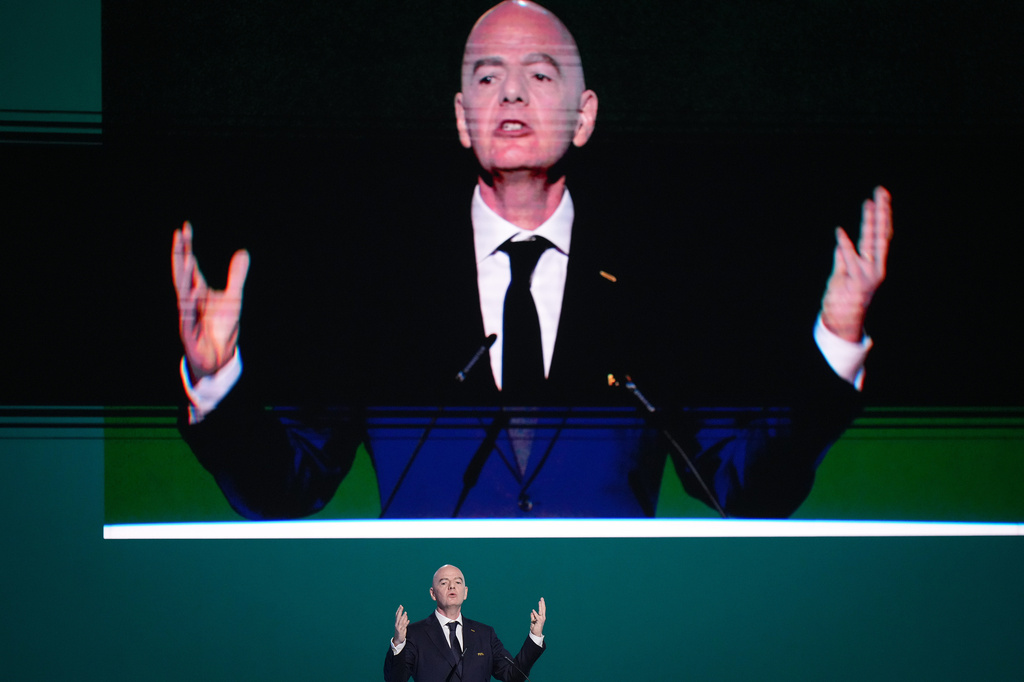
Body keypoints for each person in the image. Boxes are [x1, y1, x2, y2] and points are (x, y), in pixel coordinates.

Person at [172, 0, 892, 519]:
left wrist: (833, 347)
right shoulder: (384, 292)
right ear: (461, 118)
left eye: (540, 76)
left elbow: (744, 488)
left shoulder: (651, 291)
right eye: (487, 78)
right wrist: (218, 383)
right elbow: (288, 487)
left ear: (585, 117)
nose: (511, 92)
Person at [385, 565, 545, 682]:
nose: (452, 586)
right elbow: (395, 679)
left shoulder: (485, 634)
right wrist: (399, 643)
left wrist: (535, 636)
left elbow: (512, 675)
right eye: (444, 583)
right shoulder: (415, 634)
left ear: (465, 592)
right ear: (433, 594)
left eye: (458, 582)